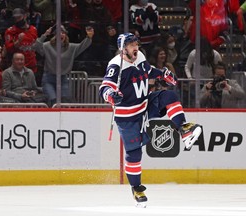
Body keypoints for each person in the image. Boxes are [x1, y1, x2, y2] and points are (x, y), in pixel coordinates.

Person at [99, 33, 202, 207]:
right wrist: (111, 95)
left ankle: (184, 130)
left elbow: (148, 71)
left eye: (136, 43)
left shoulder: (140, 57)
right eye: (131, 45)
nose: (135, 47)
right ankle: (136, 188)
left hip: (144, 105)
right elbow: (105, 87)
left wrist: (162, 74)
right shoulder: (115, 65)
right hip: (127, 117)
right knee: (134, 153)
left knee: (169, 96)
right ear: (123, 49)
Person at [33, 25, 94, 106]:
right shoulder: (47, 45)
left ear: (65, 35)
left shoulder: (71, 47)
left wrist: (89, 37)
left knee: (65, 101)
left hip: (63, 78)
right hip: (49, 78)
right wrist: (45, 35)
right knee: (53, 100)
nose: (61, 34)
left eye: (63, 33)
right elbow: (36, 46)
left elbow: (82, 46)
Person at [4, 8, 38, 73]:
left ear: (25, 16)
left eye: (19, 17)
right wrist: (18, 41)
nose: (17, 20)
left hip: (32, 65)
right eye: (15, 18)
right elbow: (8, 48)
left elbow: (36, 46)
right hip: (17, 67)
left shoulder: (33, 29)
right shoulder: (10, 31)